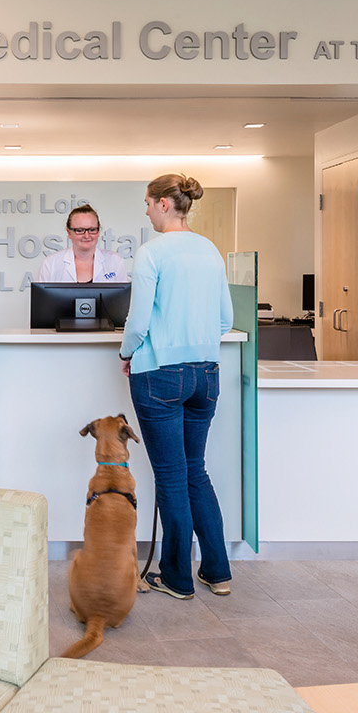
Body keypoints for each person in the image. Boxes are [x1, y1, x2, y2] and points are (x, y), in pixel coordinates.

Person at [118, 175, 235, 600]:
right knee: (195, 472)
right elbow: (225, 320)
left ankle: (177, 579)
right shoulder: (210, 250)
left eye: (148, 203)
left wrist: (126, 353)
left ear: (165, 204)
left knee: (170, 476)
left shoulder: (152, 253)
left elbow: (138, 322)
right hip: (207, 374)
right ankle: (218, 572)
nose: (146, 210)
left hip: (160, 375)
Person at [35, 204, 128, 283]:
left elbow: (123, 301)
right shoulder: (51, 264)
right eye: (80, 230)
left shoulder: (115, 261)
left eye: (92, 230)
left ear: (99, 231)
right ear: (69, 232)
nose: (87, 235)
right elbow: (41, 302)